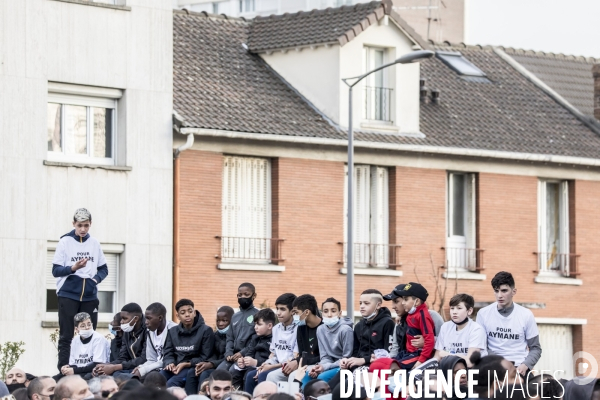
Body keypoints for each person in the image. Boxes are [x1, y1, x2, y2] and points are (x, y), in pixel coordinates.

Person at [52, 208, 108, 371]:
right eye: (80, 225)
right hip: (68, 294)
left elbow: (104, 269)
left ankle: (89, 369)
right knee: (67, 335)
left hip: (90, 296)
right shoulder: (64, 242)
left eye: (86, 225)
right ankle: (63, 370)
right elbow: (56, 271)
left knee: (90, 332)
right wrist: (73, 268)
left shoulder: (94, 243)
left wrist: (94, 280)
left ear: (90, 224)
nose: (83, 229)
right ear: (73, 224)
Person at [476, 271, 542, 377]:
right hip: (493, 367)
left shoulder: (526, 315)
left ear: (514, 291)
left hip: (520, 369)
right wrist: (500, 363)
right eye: (496, 291)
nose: (499, 295)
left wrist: (525, 365)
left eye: (504, 291)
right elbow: (481, 346)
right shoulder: (483, 314)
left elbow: (535, 348)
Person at [161, 299, 214, 392]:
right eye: (183, 312)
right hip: (176, 367)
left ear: (194, 312)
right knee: (158, 378)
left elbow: (206, 356)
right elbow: (168, 352)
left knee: (171, 384)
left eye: (190, 311)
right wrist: (170, 363)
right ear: (177, 316)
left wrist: (187, 364)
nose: (187, 314)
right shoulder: (172, 331)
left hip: (191, 367)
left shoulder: (206, 331)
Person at [342, 289, 395, 370]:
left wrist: (364, 360)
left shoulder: (388, 323)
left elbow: (387, 353)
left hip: (376, 367)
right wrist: (347, 361)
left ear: (378, 305)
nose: (362, 306)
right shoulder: (358, 326)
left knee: (346, 382)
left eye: (366, 303)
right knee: (327, 382)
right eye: (360, 303)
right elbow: (355, 352)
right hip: (357, 367)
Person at [93, 303, 147, 377]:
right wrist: (104, 366)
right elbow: (122, 358)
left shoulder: (148, 331)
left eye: (124, 318)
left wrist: (114, 367)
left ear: (136, 319)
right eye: (121, 318)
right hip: (130, 367)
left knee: (118, 376)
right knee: (100, 375)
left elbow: (143, 359)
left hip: (146, 368)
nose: (121, 322)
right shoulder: (127, 331)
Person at [308, 298, 353, 386]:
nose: (329, 315)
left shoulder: (346, 330)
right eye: (325, 311)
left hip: (344, 367)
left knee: (322, 378)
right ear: (322, 313)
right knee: (307, 376)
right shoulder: (320, 329)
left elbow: (346, 359)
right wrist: (319, 367)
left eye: (333, 311)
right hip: (329, 365)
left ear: (340, 313)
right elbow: (325, 356)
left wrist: (324, 367)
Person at [434, 293, 487, 365]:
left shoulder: (476, 329)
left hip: (472, 372)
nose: (454, 312)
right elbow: (437, 357)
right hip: (450, 370)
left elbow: (470, 362)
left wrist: (447, 354)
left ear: (469, 311)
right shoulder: (445, 327)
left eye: (459, 308)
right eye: (452, 308)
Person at [191, 306, 235, 393]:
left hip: (227, 365)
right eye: (218, 321)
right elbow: (211, 353)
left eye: (224, 320)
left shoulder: (235, 337)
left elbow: (229, 357)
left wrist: (211, 364)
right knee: (193, 372)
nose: (220, 324)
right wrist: (205, 363)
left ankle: (204, 396)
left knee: (205, 374)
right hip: (214, 364)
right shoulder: (215, 335)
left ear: (232, 321)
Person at [55, 312, 109, 380]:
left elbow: (97, 365)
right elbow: (74, 364)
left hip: (94, 372)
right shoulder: (75, 340)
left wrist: (74, 370)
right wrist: (68, 368)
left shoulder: (98, 339)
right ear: (76, 329)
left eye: (89, 324)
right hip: (79, 372)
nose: (87, 328)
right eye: (83, 326)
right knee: (55, 379)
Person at [394, 282, 436, 370]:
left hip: (418, 355)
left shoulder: (423, 316)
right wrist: (400, 316)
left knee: (395, 367)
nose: (402, 303)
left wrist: (420, 361)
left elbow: (429, 340)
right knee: (388, 363)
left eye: (405, 299)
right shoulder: (412, 312)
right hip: (407, 352)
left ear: (416, 301)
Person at [261, 293, 299, 385]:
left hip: (290, 367)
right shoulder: (276, 328)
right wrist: (267, 364)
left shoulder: (299, 328)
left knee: (265, 375)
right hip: (277, 365)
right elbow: (274, 355)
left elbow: (295, 357)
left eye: (282, 309)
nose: (278, 313)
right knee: (252, 374)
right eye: (277, 308)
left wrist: (271, 367)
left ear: (292, 311)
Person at [221, 283, 260, 372]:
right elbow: (230, 337)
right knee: (218, 373)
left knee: (232, 372)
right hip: (232, 357)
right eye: (240, 295)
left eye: (246, 294)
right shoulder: (235, 316)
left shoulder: (257, 315)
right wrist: (229, 352)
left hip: (248, 356)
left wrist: (242, 353)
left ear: (254, 296)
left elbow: (256, 339)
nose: (242, 297)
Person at [134, 302, 177, 379]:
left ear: (160, 318)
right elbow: (151, 359)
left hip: (169, 368)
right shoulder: (151, 331)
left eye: (149, 318)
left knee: (147, 379)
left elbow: (167, 359)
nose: (146, 322)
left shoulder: (173, 330)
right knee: (132, 376)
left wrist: (144, 370)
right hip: (156, 368)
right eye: (145, 318)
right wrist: (141, 367)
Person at [238, 309, 276, 392]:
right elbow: (249, 353)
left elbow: (273, 358)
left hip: (267, 367)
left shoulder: (275, 339)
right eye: (255, 324)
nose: (255, 327)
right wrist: (243, 361)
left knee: (250, 375)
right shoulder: (255, 338)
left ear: (269, 326)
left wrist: (256, 362)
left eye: (259, 324)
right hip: (253, 367)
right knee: (235, 371)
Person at [290, 295, 323, 383]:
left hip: (319, 365)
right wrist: (294, 361)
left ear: (307, 312)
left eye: (296, 312)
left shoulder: (324, 328)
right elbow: (302, 353)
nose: (294, 316)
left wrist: (298, 362)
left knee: (293, 376)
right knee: (272, 375)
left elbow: (324, 356)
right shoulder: (301, 328)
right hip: (304, 364)